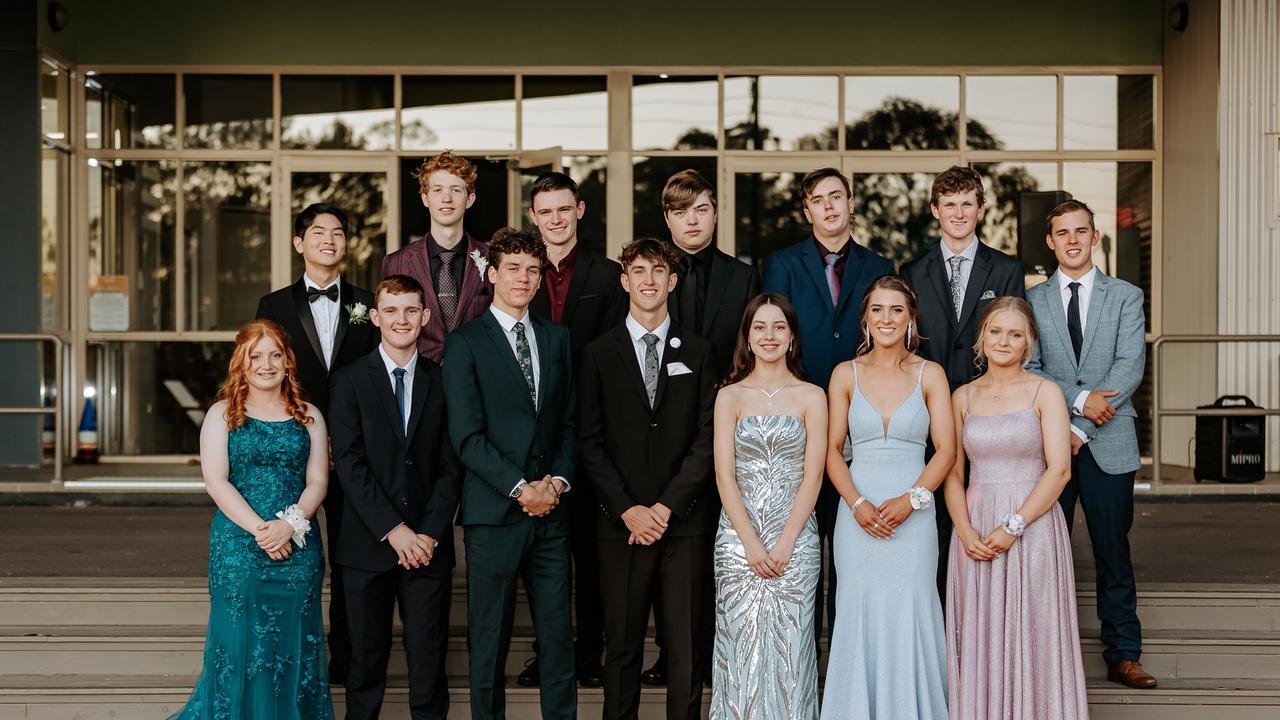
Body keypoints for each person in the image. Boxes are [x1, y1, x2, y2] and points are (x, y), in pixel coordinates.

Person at [578, 238, 718, 720]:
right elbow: (589, 441)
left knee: (685, 651)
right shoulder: (597, 354)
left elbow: (707, 439)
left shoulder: (699, 351)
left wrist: (665, 506)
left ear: (672, 281)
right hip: (621, 526)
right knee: (621, 648)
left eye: (659, 271)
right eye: (639, 271)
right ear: (625, 281)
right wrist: (628, 508)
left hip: (685, 522)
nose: (649, 280)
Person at [443, 227, 577, 720]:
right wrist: (522, 490)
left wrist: (556, 484)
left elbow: (567, 423)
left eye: (533, 270)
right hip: (494, 514)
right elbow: (467, 437)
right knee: (489, 641)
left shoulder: (557, 339)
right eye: (513, 268)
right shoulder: (465, 344)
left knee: (558, 641)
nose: (524, 278)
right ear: (492, 274)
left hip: (552, 515)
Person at [170, 320, 332, 719]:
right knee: (240, 648)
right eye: (255, 356)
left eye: (275, 354)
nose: (266, 364)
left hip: (297, 546)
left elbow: (317, 481)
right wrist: (263, 531)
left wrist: (288, 526)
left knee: (296, 647)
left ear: (287, 361)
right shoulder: (221, 414)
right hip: (239, 547)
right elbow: (215, 481)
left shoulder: (309, 415)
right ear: (241, 363)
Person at [1025, 199, 1155, 689]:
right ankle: (1041, 652)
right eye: (1063, 233)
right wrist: (1079, 400)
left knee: (1111, 550)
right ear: (1050, 242)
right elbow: (1030, 368)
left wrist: (1081, 427)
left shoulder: (1125, 295)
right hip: (1048, 447)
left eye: (1081, 231)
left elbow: (1129, 366)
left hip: (1108, 443)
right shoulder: (1032, 302)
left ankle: (1123, 653)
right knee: (1043, 551)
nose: (1073, 240)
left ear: (1095, 236)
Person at [761, 167, 893, 645]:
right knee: (796, 549)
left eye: (837, 197)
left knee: (850, 555)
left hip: (859, 425)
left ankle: (841, 658)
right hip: (796, 421)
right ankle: (794, 657)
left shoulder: (878, 265)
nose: (830, 206)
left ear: (850, 203)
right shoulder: (781, 263)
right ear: (807, 210)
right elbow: (773, 333)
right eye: (819, 199)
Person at [945, 297, 1087, 719]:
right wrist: (965, 530)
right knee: (981, 634)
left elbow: (1059, 470)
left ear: (1029, 344)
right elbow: (952, 473)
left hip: (1033, 525)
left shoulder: (1046, 391)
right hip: (975, 526)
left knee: (1033, 632)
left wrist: (1015, 525)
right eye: (995, 331)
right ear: (981, 338)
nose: (1003, 341)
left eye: (1015, 334)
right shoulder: (962, 396)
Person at [328, 275, 462, 720]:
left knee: (428, 665)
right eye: (391, 310)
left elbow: (451, 467)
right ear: (375, 316)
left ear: (425, 317)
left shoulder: (442, 382)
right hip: (367, 547)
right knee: (365, 666)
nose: (400, 319)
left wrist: (425, 533)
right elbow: (348, 464)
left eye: (410, 310)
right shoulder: (349, 381)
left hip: (428, 548)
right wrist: (394, 530)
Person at [255, 202, 379, 683]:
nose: (330, 239)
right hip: (293, 446)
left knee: (353, 559)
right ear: (298, 243)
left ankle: (347, 658)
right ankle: (291, 657)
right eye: (319, 232)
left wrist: (345, 440)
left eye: (339, 232)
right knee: (295, 556)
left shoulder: (369, 304)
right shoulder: (274, 306)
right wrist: (307, 435)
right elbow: (267, 375)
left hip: (356, 451)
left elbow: (375, 380)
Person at [820, 276, 954, 720]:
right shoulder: (845, 374)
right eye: (877, 309)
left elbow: (947, 451)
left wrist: (913, 499)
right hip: (856, 514)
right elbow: (831, 451)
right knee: (858, 610)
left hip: (913, 518)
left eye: (896, 310)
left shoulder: (930, 374)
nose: (887, 319)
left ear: (911, 316)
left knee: (912, 609)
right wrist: (857, 504)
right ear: (866, 318)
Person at [647, 169, 757, 686]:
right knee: (666, 547)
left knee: (715, 544)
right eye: (682, 211)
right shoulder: (650, 277)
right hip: (658, 426)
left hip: (724, 420)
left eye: (703, 209)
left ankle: (712, 655)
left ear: (715, 213)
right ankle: (670, 654)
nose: (693, 220)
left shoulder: (743, 277)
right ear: (667, 218)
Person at [520, 171, 626, 689]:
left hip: (590, 432)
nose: (556, 219)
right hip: (531, 437)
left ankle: (590, 655)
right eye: (546, 211)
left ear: (579, 210)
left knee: (590, 553)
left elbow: (610, 356)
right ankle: (549, 652)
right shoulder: (517, 275)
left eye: (564, 209)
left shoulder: (608, 276)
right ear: (533, 217)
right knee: (544, 557)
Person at [899, 166, 1026, 599]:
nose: (958, 213)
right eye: (949, 204)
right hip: (928, 414)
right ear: (935, 209)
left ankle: (983, 615)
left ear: (980, 209)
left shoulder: (1006, 269)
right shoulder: (912, 271)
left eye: (967, 204)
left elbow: (1012, 337)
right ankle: (939, 628)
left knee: (981, 513)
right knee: (931, 525)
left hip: (988, 415)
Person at [710, 293, 825, 720]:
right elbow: (724, 475)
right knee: (739, 649)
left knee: (793, 652)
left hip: (795, 541)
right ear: (748, 337)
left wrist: (785, 543)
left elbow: (814, 475)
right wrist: (752, 544)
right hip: (739, 543)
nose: (769, 335)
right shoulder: (730, 396)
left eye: (779, 327)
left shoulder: (812, 396)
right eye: (760, 327)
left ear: (792, 336)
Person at [381, 151, 492, 362]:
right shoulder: (397, 262)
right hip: (419, 380)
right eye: (438, 189)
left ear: (470, 199)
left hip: (476, 378)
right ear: (425, 198)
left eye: (456, 190)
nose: (446, 198)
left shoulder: (492, 260)